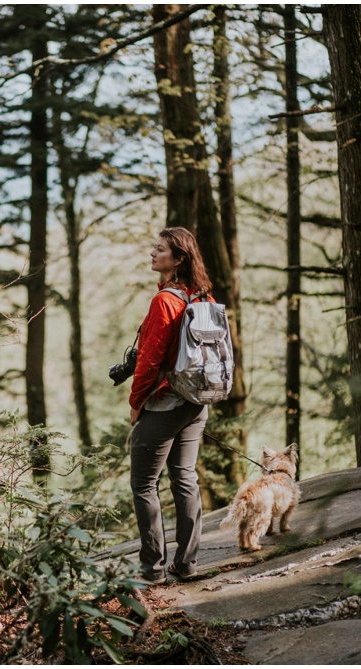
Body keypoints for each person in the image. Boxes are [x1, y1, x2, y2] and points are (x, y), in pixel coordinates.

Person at [128, 226, 213, 584]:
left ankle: (152, 570)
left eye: (160, 249)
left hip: (165, 403)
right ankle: (187, 563)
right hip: (196, 401)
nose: (152, 253)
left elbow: (149, 360)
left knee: (144, 483)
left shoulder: (165, 301)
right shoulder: (202, 297)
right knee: (185, 477)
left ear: (178, 259)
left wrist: (136, 404)